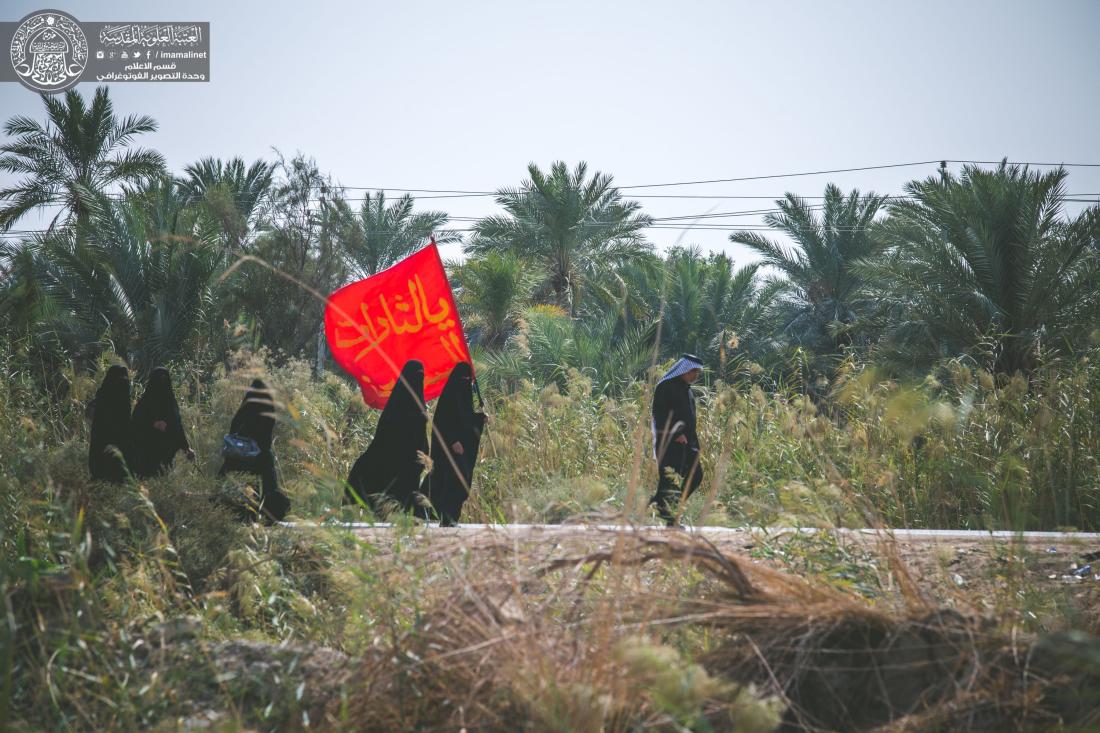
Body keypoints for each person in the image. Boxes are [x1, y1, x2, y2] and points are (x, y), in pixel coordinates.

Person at [346, 360, 429, 518]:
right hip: (395, 464)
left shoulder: (399, 405)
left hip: (407, 465)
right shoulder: (402, 408)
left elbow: (421, 435)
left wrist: (423, 455)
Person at [420, 361, 486, 526]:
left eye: (468, 379)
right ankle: (434, 515)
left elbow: (465, 419)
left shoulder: (463, 395)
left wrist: (480, 418)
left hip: (459, 451)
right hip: (447, 450)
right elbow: (444, 422)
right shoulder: (449, 397)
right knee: (445, 481)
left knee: (459, 481)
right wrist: (453, 441)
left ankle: (448, 518)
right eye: (463, 378)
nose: (466, 382)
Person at [218, 378, 290, 523]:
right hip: (261, 456)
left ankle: (239, 515)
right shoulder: (268, 408)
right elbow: (266, 434)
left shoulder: (245, 408)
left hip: (239, 457)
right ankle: (270, 515)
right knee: (268, 486)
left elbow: (234, 429)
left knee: (237, 485)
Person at [649, 353, 706, 526]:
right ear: (684, 369)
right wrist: (675, 434)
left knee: (695, 476)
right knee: (670, 482)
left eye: (698, 372)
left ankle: (662, 505)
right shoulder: (666, 387)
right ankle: (669, 518)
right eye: (693, 371)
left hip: (688, 444)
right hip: (670, 443)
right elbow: (660, 415)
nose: (695, 375)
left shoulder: (686, 389)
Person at [130, 366, 195, 477]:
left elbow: (177, 425)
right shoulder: (144, 403)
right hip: (147, 452)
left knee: (162, 480)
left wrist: (186, 447)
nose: (162, 382)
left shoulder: (170, 402)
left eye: (165, 378)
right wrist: (152, 424)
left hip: (166, 452)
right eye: (159, 379)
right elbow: (135, 425)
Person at [88, 365, 133, 483]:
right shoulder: (103, 396)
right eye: (119, 379)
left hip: (120, 440)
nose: (123, 382)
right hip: (103, 439)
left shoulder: (123, 395)